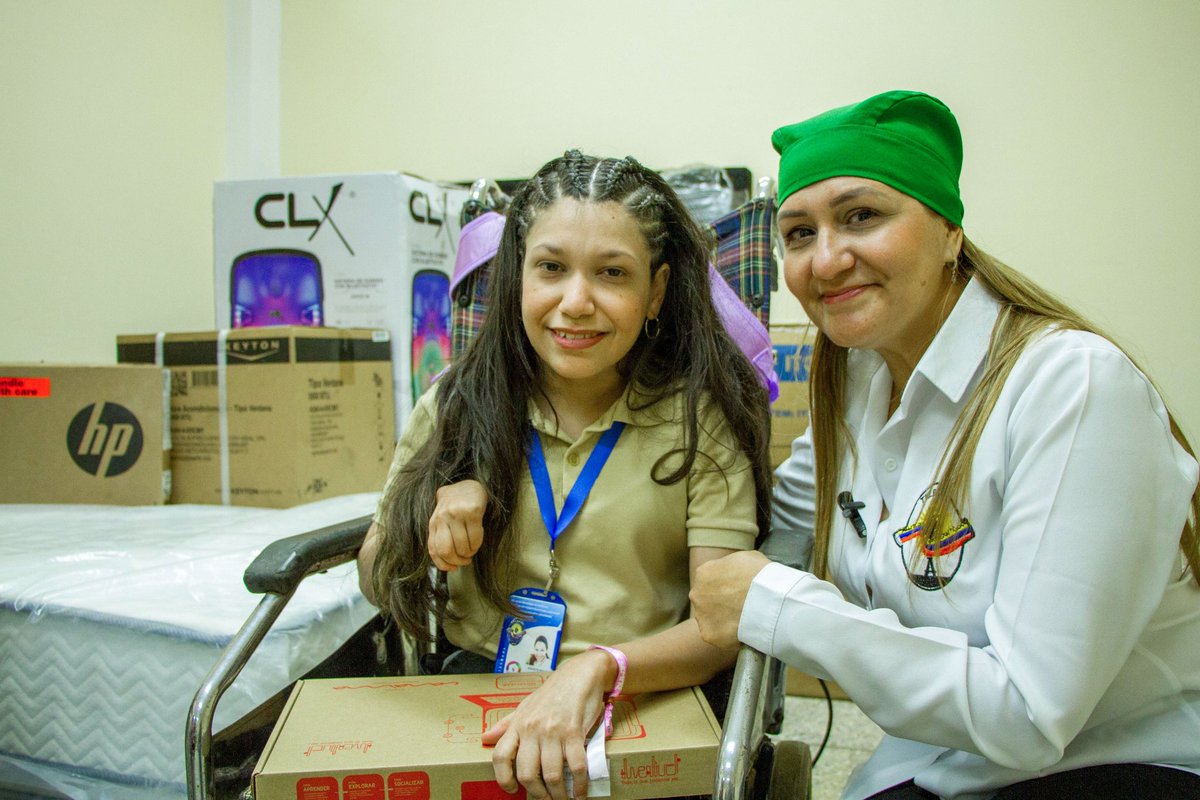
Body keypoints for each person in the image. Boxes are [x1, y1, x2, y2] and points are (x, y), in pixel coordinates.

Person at [690, 90, 1200, 800]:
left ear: (950, 231)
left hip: (1113, 763)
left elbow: (1027, 712)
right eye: (799, 234)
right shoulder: (863, 379)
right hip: (941, 760)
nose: (826, 259)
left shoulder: (1073, 387)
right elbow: (776, 534)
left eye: (861, 216)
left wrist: (779, 606)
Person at [357, 150, 772, 800]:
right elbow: (374, 570)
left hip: (643, 688)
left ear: (656, 291)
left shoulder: (698, 421)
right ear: (516, 275)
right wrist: (430, 510)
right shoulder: (457, 404)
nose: (575, 303)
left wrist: (601, 671)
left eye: (612, 273)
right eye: (551, 268)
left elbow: (717, 630)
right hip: (481, 690)